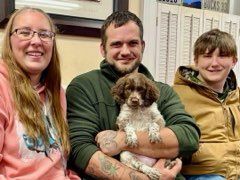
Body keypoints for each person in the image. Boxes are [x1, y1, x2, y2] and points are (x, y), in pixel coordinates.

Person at [67, 11, 200, 179]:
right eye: (116, 44)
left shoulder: (163, 91)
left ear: (142, 46)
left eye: (132, 43)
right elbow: (80, 150)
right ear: (102, 49)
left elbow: (188, 137)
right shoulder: (84, 86)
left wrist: (121, 140)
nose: (125, 51)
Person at [0, 7, 80, 179]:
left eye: (44, 34)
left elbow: (60, 165)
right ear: (9, 40)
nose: (36, 41)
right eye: (25, 32)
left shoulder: (57, 92)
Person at [173, 29, 239, 179]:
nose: (214, 63)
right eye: (207, 56)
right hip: (201, 175)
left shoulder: (237, 96)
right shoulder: (176, 95)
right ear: (196, 61)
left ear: (234, 61)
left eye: (222, 56)